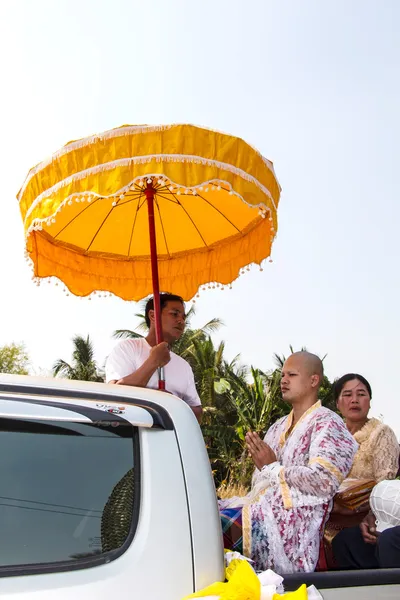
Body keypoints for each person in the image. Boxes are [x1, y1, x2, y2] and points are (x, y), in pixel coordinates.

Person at [219, 352, 357, 574]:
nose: (283, 380)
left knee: (213, 527)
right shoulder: (277, 426)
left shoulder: (329, 422)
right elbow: (260, 480)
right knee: (201, 514)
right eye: (282, 375)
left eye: (291, 374)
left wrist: (273, 468)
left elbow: (325, 482)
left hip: (296, 526)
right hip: (260, 508)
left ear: (314, 380)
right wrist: (264, 467)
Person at [323, 374, 399, 563]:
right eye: (347, 394)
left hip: (366, 518)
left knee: (347, 541)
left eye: (361, 394)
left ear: (370, 402)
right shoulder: (328, 438)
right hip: (329, 516)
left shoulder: (381, 434)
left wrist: (373, 515)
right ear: (337, 404)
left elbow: (386, 484)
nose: (354, 400)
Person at [105, 293, 203, 423]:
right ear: (153, 315)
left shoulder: (184, 366)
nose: (181, 321)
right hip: (134, 437)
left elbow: (197, 413)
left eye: (183, 317)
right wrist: (153, 361)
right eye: (174, 314)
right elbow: (114, 395)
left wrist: (173, 403)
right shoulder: (128, 348)